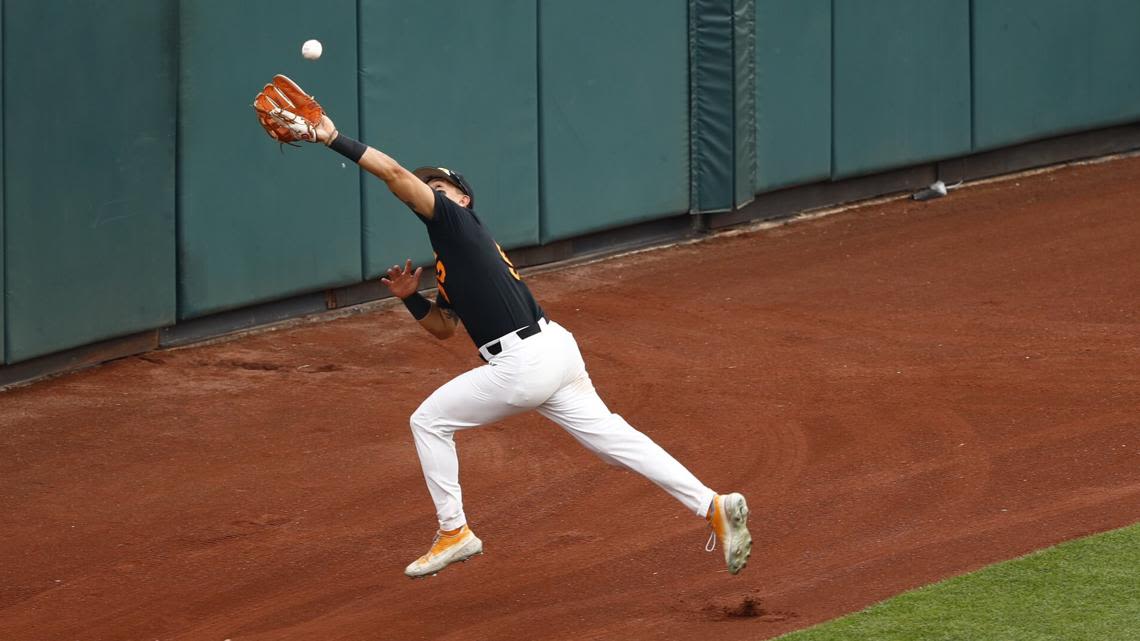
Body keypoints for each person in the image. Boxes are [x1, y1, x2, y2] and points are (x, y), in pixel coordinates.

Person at [309, 111, 751, 579]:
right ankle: (713, 505)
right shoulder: (453, 257)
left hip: (523, 364)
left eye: (441, 187)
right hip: (555, 351)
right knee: (616, 441)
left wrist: (334, 138)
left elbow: (395, 175)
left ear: (463, 199)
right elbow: (444, 328)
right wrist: (411, 300)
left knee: (428, 422)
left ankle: (454, 531)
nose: (431, 191)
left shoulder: (457, 223)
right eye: (430, 187)